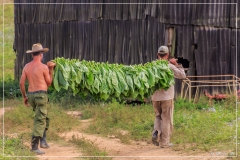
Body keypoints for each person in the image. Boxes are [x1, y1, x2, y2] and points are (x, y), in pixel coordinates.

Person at [19, 43, 56, 154]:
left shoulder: (26, 66)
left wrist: (25, 97)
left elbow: (21, 83)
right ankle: (34, 146)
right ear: (41, 54)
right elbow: (49, 83)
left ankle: (43, 141)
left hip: (31, 95)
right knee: (40, 120)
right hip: (41, 95)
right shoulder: (43, 67)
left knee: (45, 117)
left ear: (32, 55)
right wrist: (51, 69)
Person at [151, 46, 186, 148]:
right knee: (166, 119)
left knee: (158, 116)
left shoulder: (152, 66)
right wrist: (176, 64)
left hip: (155, 97)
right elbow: (182, 75)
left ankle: (156, 132)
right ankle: (164, 143)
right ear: (167, 55)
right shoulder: (169, 66)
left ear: (158, 55)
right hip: (167, 97)